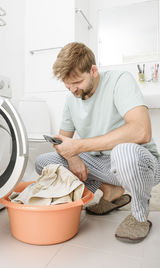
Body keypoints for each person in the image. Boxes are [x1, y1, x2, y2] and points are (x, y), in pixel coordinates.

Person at [35, 42, 160, 243]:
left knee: (123, 152)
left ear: (93, 70)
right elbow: (62, 140)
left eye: (77, 82)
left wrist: (78, 146)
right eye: (68, 85)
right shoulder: (71, 99)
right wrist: (73, 156)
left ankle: (139, 215)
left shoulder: (120, 80)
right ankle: (111, 191)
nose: (73, 90)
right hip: (101, 163)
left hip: (139, 162)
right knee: (44, 162)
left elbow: (141, 130)